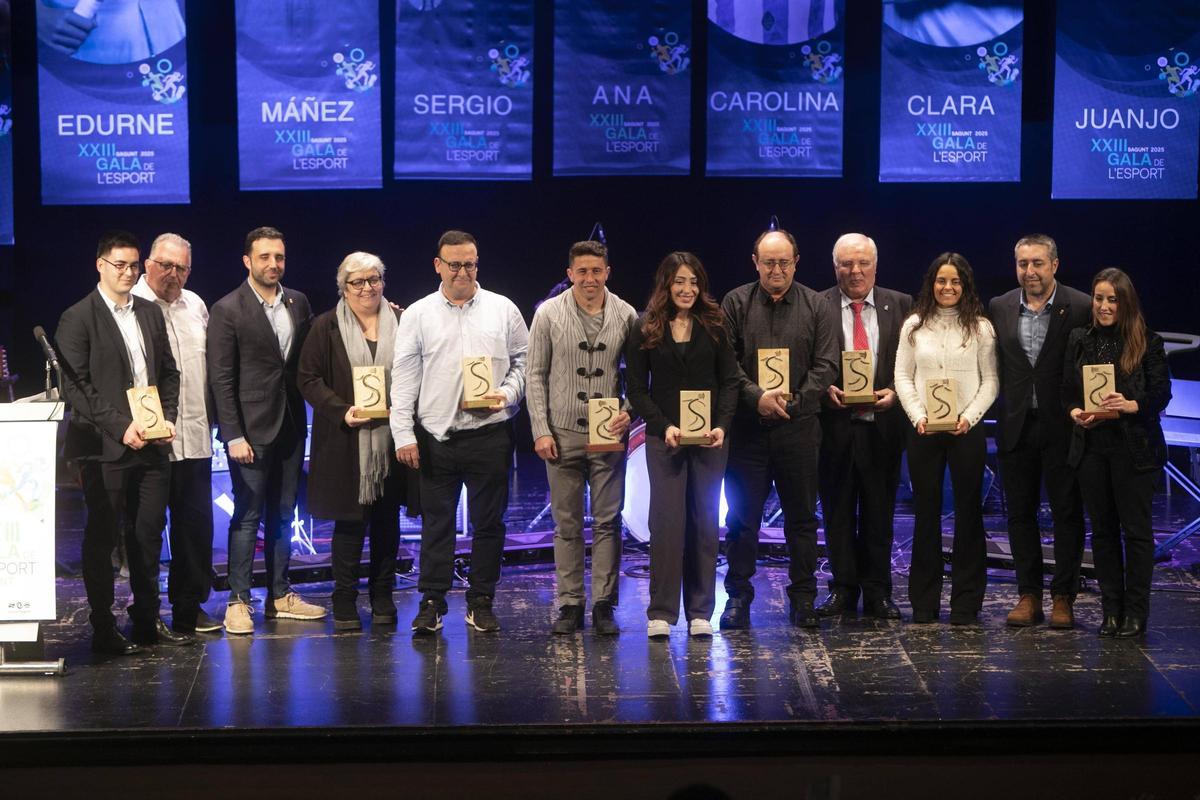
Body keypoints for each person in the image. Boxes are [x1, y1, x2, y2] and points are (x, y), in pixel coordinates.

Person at [55, 229, 192, 653]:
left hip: (151, 445)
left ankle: (148, 621)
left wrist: (164, 418)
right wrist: (120, 427)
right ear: (101, 265)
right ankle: (103, 629)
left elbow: (169, 372)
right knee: (103, 539)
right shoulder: (78, 317)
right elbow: (77, 389)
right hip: (104, 448)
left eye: (134, 265)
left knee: (148, 535)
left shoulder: (149, 313)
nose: (129, 272)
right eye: (121, 265)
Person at [392, 230, 528, 635]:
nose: (462, 271)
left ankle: (482, 600)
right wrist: (403, 433)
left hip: (490, 434)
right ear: (438, 265)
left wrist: (506, 392)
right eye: (454, 264)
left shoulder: (503, 310)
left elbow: (524, 362)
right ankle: (432, 601)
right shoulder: (418, 314)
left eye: (469, 263)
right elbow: (403, 378)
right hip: (438, 437)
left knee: (490, 524)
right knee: (437, 524)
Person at [717, 229, 839, 630]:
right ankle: (737, 597)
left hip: (799, 429)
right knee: (741, 519)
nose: (776, 269)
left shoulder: (817, 304)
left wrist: (796, 403)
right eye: (768, 262)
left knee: (802, 520)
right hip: (749, 431)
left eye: (784, 262)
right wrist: (757, 398)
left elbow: (826, 365)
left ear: (796, 261)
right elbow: (727, 365)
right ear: (755, 263)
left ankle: (803, 598)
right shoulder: (735, 302)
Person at [208, 226, 323, 635]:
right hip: (250, 433)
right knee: (247, 515)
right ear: (247, 261)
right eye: (265, 257)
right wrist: (233, 434)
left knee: (283, 514)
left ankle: (279, 595)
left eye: (279, 257)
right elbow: (221, 379)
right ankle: (239, 601)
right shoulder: (228, 309)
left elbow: (309, 357)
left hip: (292, 425)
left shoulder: (298, 302)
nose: (273, 264)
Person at [625, 251, 739, 639]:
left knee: (705, 522)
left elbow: (730, 382)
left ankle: (700, 612)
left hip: (709, 440)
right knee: (667, 522)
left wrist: (722, 425)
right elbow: (638, 390)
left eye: (693, 281)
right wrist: (663, 425)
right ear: (666, 284)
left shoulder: (716, 325)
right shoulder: (645, 328)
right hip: (666, 439)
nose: (687, 289)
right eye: (679, 281)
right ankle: (661, 611)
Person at [527, 240, 638, 636]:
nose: (590, 278)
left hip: (607, 433)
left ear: (607, 272)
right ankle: (570, 603)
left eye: (597, 271)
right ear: (570, 273)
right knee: (567, 523)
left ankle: (604, 604)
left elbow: (640, 377)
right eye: (582, 271)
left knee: (608, 520)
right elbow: (534, 375)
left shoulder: (626, 314)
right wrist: (540, 429)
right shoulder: (548, 315)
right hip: (562, 432)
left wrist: (627, 409)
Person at [299, 252, 412, 631]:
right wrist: (341, 410)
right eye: (358, 282)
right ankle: (344, 599)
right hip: (346, 440)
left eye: (374, 279)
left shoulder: (402, 320)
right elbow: (308, 378)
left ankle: (383, 594)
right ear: (343, 288)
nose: (367, 288)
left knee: (386, 523)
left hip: (393, 440)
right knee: (349, 525)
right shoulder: (325, 326)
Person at [988, 234, 1091, 629]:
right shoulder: (999, 306)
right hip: (1016, 426)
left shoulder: (1080, 306)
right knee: (1019, 515)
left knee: (1067, 513)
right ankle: (1028, 595)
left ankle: (1063, 596)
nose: (1029, 271)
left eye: (1037, 263)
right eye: (1022, 264)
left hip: (1065, 426)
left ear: (1054, 265)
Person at [1063, 268, 1170, 639]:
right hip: (1092, 448)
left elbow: (1161, 394)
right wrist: (1076, 412)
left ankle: (1136, 613)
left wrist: (1130, 404)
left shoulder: (1148, 342)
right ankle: (1111, 611)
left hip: (1134, 450)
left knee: (1137, 534)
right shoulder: (1079, 338)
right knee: (1104, 534)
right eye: (1099, 298)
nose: (1104, 306)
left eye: (1112, 299)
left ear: (1125, 302)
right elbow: (1068, 392)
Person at [895, 253, 998, 626]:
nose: (948, 287)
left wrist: (968, 418)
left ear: (965, 285)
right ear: (932, 284)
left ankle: (966, 603)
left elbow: (991, 381)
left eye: (955, 281)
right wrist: (919, 415)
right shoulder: (914, 326)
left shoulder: (982, 329)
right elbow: (903, 378)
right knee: (926, 515)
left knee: (969, 515)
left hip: (965, 430)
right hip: (923, 430)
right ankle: (924, 603)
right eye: (942, 281)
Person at [817, 234, 913, 620]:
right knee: (837, 512)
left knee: (879, 513)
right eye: (846, 264)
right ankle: (842, 589)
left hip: (882, 426)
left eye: (862, 263)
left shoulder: (902, 305)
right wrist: (823, 390)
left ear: (876, 264)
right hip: (834, 426)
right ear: (834, 266)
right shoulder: (817, 304)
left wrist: (896, 393)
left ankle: (878, 591)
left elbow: (911, 365)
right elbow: (807, 361)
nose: (854, 271)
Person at [131, 232, 221, 634]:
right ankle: (146, 611)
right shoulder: (128, 306)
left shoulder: (197, 305)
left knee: (194, 529)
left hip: (195, 436)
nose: (172, 274)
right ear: (148, 264)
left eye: (181, 267)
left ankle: (189, 607)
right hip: (147, 443)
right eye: (165, 265)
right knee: (144, 533)